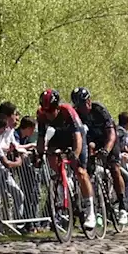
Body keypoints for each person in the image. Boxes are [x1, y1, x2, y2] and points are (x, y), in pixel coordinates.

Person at [36, 88, 94, 230]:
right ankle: (64, 180)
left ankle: (90, 210)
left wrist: (75, 154)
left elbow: (78, 139)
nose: (48, 115)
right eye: (46, 111)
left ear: (57, 107)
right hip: (59, 135)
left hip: (75, 135)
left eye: (51, 111)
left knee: (80, 171)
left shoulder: (67, 111)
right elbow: (41, 139)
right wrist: (38, 155)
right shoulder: (42, 115)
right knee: (50, 154)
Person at [71, 87, 127, 226]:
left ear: (89, 101)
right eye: (79, 105)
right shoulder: (76, 114)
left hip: (108, 139)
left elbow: (111, 134)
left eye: (84, 104)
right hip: (91, 141)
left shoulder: (99, 110)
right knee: (87, 173)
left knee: (114, 168)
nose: (82, 108)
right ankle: (93, 207)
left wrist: (107, 150)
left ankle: (122, 206)